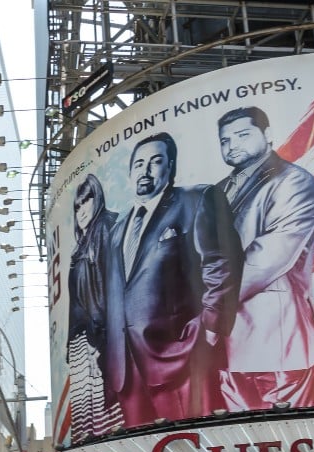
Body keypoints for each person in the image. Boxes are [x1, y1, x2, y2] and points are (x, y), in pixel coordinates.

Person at [103, 132, 243, 425]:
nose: (146, 170)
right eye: (139, 163)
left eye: (156, 161)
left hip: (181, 355)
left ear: (171, 167)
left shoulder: (197, 198)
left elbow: (221, 263)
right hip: (127, 368)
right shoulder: (118, 229)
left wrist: (210, 330)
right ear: (130, 173)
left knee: (198, 449)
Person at [214, 106, 314, 411]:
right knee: (238, 444)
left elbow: (268, 256)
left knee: (289, 441)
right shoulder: (219, 191)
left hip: (277, 337)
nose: (232, 144)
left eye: (242, 135)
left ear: (268, 135)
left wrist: (208, 307)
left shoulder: (293, 181)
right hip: (228, 344)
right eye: (224, 140)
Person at [67, 173, 123, 441]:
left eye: (86, 201)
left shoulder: (105, 226)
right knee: (89, 421)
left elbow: (107, 287)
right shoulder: (82, 244)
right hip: (83, 340)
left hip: (96, 337)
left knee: (105, 418)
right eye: (77, 205)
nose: (81, 210)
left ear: (97, 198)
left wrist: (101, 339)